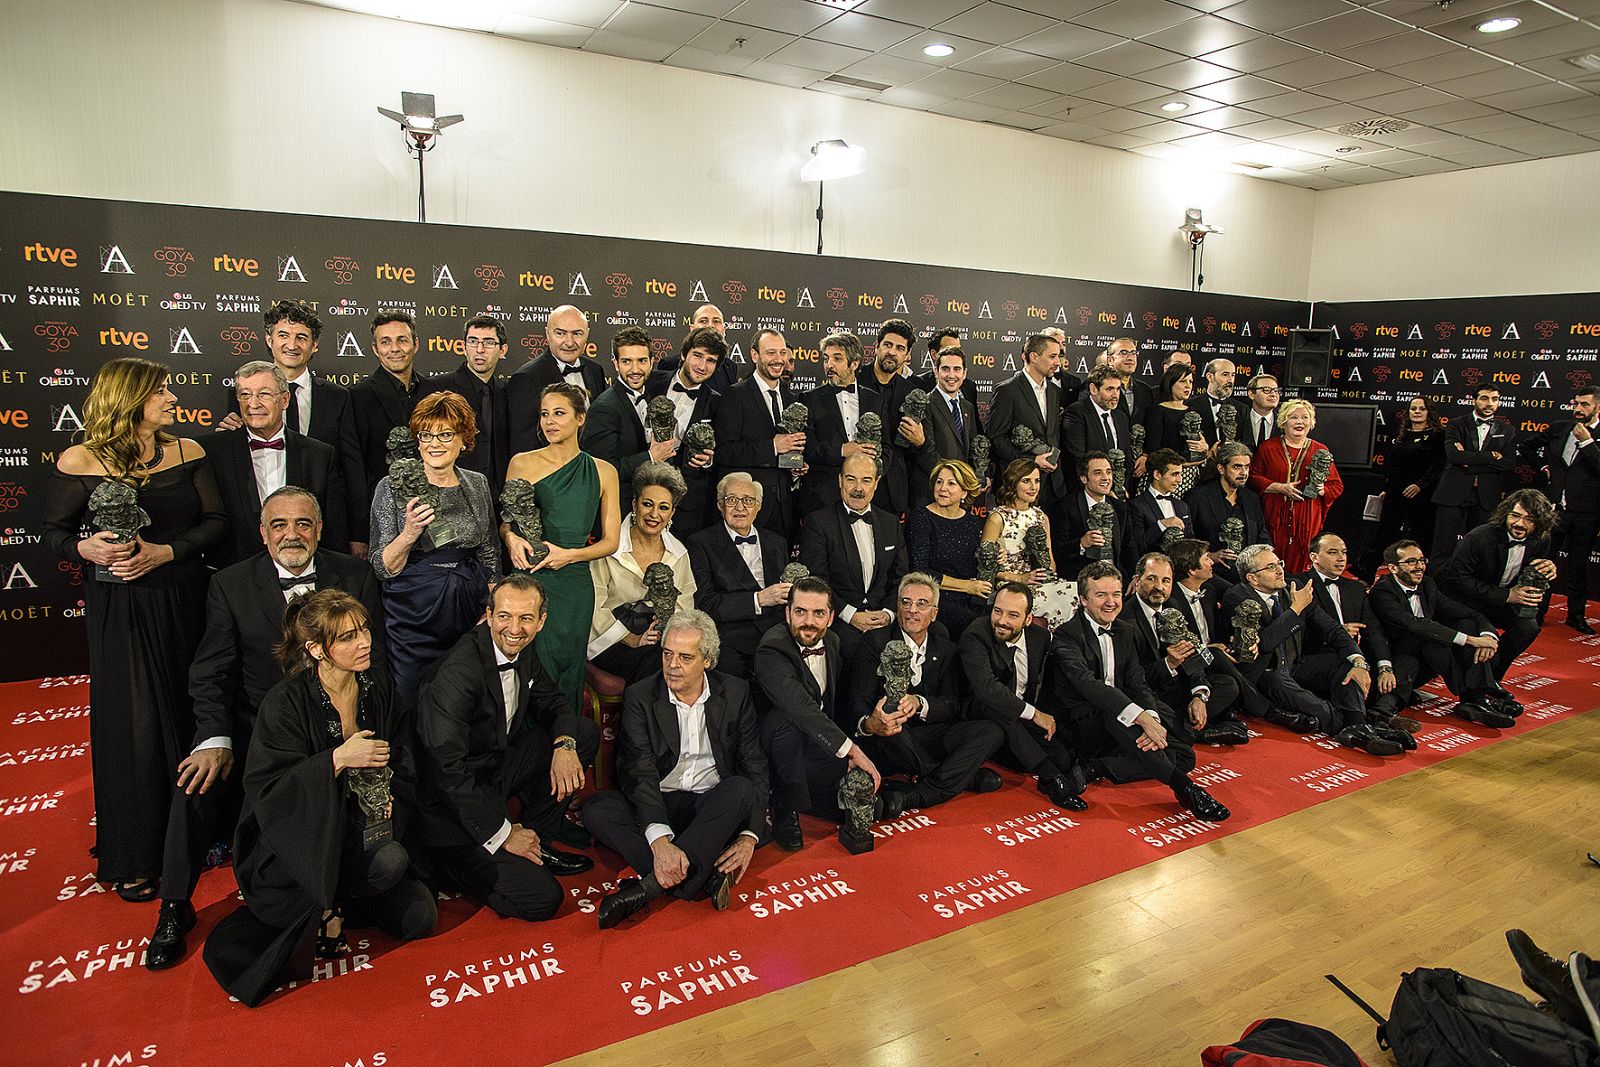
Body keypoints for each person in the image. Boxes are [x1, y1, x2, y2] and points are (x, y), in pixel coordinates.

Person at [149, 486, 383, 970]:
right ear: (262, 532)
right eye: (279, 525)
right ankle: (174, 904)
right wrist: (214, 738)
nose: (291, 535)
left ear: (319, 529)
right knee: (196, 781)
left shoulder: (355, 573)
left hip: (336, 725)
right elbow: (211, 670)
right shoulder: (231, 585)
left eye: (303, 524)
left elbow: (375, 660)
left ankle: (359, 888)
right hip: (261, 730)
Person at [42, 357, 226, 903]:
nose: (172, 399)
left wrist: (166, 551)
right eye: (161, 391)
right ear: (131, 398)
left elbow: (216, 523)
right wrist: (84, 547)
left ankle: (204, 833)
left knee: (193, 708)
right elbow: (52, 532)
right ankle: (137, 852)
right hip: (120, 606)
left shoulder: (188, 451)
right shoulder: (80, 458)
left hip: (183, 596)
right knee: (135, 725)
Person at [202, 591, 436, 1007]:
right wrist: (336, 759)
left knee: (420, 916)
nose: (364, 642)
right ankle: (325, 905)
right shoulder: (285, 702)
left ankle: (341, 902)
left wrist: (388, 797)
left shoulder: (378, 683)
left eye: (364, 630)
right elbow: (267, 789)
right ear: (316, 649)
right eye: (347, 638)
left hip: (366, 828)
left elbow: (402, 755)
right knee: (388, 862)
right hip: (302, 845)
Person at [414, 573, 601, 927]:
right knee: (543, 899)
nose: (514, 628)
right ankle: (453, 867)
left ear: (541, 621)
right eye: (504, 616)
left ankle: (537, 841)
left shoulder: (521, 649)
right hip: (451, 806)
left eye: (526, 618)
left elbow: (556, 703)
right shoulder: (459, 673)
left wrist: (564, 744)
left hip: (493, 770)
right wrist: (503, 833)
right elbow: (446, 771)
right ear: (489, 614)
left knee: (583, 732)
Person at [584, 609, 769, 927]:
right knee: (597, 809)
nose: (672, 666)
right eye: (667, 654)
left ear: (707, 660)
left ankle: (649, 888)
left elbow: (754, 765)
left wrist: (749, 837)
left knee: (740, 789)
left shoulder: (735, 692)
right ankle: (702, 873)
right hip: (660, 801)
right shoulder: (642, 696)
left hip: (711, 802)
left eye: (685, 657)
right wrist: (659, 842)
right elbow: (639, 772)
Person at [1047, 562, 1231, 822]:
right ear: (1083, 600)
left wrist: (1151, 719)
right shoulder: (1066, 635)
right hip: (1080, 723)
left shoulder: (1125, 630)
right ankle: (1186, 789)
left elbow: (1137, 682)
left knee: (1183, 755)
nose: (1111, 602)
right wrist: (1140, 717)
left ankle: (1093, 768)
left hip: (1120, 724)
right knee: (1115, 709)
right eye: (1101, 595)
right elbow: (1089, 685)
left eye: (1115, 594)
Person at [370, 391, 501, 702]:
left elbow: (489, 551)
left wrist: (493, 604)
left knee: (464, 696)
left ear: (464, 440)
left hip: (470, 605)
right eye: (426, 435)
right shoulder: (391, 487)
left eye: (445, 434)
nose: (434, 443)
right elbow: (381, 566)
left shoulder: (477, 483)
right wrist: (409, 532)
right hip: (414, 610)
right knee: (412, 697)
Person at [503, 382, 623, 712]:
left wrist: (569, 555)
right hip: (529, 579)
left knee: (567, 673)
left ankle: (563, 746)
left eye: (559, 413)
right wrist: (511, 538)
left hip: (574, 586)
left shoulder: (603, 471)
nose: (550, 422)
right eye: (544, 414)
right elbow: (507, 521)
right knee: (526, 669)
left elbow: (611, 542)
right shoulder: (521, 463)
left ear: (580, 419)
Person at [1220, 544, 1406, 756]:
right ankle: (1358, 729)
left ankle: (1359, 725)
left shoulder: (1294, 587)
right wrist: (1295, 609)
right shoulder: (1237, 597)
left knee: (1343, 663)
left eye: (1279, 563)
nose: (1280, 570)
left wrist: (1358, 661)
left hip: (1296, 663)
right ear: (1252, 578)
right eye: (1271, 567)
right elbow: (1264, 643)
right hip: (1264, 674)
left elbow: (1332, 628)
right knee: (1293, 690)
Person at [844, 574, 1004, 812]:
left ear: (934, 613)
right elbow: (858, 700)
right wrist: (870, 723)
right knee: (893, 724)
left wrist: (920, 703)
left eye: (921, 604)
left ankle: (920, 794)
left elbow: (953, 704)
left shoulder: (947, 648)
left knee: (992, 731)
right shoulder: (875, 642)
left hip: (930, 735)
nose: (912, 610)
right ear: (897, 608)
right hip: (892, 736)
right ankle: (962, 777)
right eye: (905, 603)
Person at [218, 300, 366, 556]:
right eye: (283, 335)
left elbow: (351, 469)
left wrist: (358, 535)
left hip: (321, 534)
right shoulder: (241, 394)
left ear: (314, 344)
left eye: (302, 337)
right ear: (269, 340)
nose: (292, 345)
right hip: (253, 537)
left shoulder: (338, 397)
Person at [754, 577, 887, 852]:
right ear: (787, 612)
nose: (809, 621)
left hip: (817, 745)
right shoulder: (772, 647)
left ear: (830, 617)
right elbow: (800, 706)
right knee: (784, 721)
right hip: (776, 749)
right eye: (800, 611)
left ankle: (810, 795)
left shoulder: (834, 643)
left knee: (873, 807)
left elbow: (830, 705)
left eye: (818, 613)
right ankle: (784, 805)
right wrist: (850, 750)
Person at [958, 582, 1089, 809]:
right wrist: (1034, 714)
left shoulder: (1040, 638)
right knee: (997, 705)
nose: (1001, 621)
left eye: (1012, 615)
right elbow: (986, 688)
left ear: (1028, 619)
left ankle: (1038, 763)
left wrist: (1041, 715)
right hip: (980, 712)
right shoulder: (976, 634)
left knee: (1061, 759)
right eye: (997, 611)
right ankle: (1050, 778)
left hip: (1020, 716)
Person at [208, 359, 345, 567]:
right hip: (234, 575)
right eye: (245, 395)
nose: (253, 404)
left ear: (285, 399)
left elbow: (333, 529)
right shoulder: (212, 451)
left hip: (304, 571)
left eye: (264, 394)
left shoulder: (319, 455)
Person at [1370, 540, 1519, 728]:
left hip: (1426, 661)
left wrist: (1487, 635)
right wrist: (1470, 641)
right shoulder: (1382, 592)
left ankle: (1475, 698)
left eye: (1422, 560)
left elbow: (1465, 612)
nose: (1419, 567)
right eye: (1411, 562)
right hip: (1395, 658)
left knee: (1466, 623)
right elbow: (1416, 625)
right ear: (1392, 568)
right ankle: (1471, 695)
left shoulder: (1427, 585)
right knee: (1430, 637)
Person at [1435, 488, 1559, 689]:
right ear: (1506, 514)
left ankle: (1492, 681)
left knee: (1528, 627)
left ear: (1540, 522)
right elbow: (1456, 579)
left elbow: (1531, 571)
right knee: (1485, 634)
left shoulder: (1541, 539)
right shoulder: (1479, 537)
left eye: (1529, 519)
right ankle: (1476, 690)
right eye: (1515, 516)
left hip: (1496, 600)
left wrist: (1547, 569)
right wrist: (1507, 595)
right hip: (1461, 600)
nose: (1519, 523)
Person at [1297, 532, 1414, 739]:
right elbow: (1298, 631)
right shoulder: (1300, 584)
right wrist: (1340, 630)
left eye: (1343, 552)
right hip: (1315, 657)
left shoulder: (1355, 588)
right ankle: (1360, 726)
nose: (1341, 558)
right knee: (1348, 667)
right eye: (1332, 553)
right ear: (1314, 557)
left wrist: (1384, 666)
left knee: (1405, 658)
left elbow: (1373, 631)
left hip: (1353, 657)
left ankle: (1380, 714)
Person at [1123, 552, 1247, 746]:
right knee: (1154, 706)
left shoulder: (1173, 605)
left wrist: (1199, 695)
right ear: (1137, 581)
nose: (1159, 587)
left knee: (1227, 685)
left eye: (1166, 581)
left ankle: (1186, 728)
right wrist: (1168, 664)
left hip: (1176, 688)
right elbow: (1131, 679)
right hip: (1148, 691)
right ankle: (1197, 733)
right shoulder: (1124, 618)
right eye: (1152, 579)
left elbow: (1191, 654)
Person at [589, 462, 697, 684]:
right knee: (657, 665)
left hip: (661, 640)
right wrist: (632, 638)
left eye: (663, 507)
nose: (654, 514)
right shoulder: (608, 547)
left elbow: (685, 608)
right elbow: (593, 607)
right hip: (610, 640)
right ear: (634, 504)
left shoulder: (679, 553)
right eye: (647, 504)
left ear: (672, 513)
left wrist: (669, 641)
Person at [798, 452, 909, 664]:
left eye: (866, 480)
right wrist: (851, 616)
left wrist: (888, 613)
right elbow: (817, 582)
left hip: (883, 617)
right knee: (851, 650)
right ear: (840, 481)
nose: (858, 488)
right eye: (851, 479)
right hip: (839, 618)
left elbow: (900, 576)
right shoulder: (819, 523)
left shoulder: (890, 523)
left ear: (876, 483)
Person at [686, 473, 793, 680]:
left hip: (777, 631)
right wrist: (758, 600)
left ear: (759, 507)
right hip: (731, 635)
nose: (740, 507)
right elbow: (705, 603)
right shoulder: (700, 543)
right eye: (731, 500)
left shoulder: (777, 542)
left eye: (748, 500)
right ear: (719, 505)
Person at [1518, 385, 1600, 632]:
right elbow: (1526, 447)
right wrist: (1543, 467)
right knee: (1543, 562)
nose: (1578, 409)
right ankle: (1537, 612)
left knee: (1577, 566)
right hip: (1555, 511)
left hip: (1587, 512)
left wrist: (1587, 442)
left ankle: (1575, 616)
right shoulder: (1559, 427)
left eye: (1584, 404)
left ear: (1598, 407)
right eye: (1576, 403)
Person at [713, 328, 806, 540]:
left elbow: (788, 454)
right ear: (755, 356)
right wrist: (773, 447)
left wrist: (795, 467)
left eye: (782, 353)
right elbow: (725, 451)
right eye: (771, 353)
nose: (778, 359)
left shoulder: (792, 398)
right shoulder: (735, 395)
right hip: (745, 509)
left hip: (784, 512)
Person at [581, 325, 673, 518]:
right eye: (626, 361)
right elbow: (599, 470)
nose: (635, 369)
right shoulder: (604, 408)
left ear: (652, 362)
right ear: (615, 363)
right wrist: (650, 456)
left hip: (649, 509)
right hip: (617, 511)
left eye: (641, 361)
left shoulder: (653, 397)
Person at [423, 315, 513, 504]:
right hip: (451, 497)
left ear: (502, 349)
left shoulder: (508, 392)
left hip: (499, 501)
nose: (479, 350)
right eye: (473, 342)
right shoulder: (437, 388)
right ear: (463, 347)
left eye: (488, 343)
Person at [1250, 399, 1344, 575]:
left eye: (1305, 417)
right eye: (1294, 417)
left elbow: (1336, 485)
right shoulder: (1268, 448)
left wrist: (1322, 489)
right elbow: (1252, 478)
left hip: (1307, 514)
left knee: (1304, 559)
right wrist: (1278, 487)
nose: (1300, 422)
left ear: (1311, 422)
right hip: (1275, 513)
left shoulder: (1320, 450)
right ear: (1283, 422)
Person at [982, 459, 1077, 630]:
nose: (1033, 487)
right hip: (1009, 583)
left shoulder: (1041, 517)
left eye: (1037, 481)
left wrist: (1043, 572)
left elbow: (1051, 563)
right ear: (1013, 483)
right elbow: (984, 566)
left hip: (1037, 582)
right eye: (1026, 481)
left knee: (1076, 590)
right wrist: (1020, 578)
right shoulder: (997, 517)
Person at [645, 327, 721, 535]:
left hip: (688, 504)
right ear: (684, 354)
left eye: (711, 360)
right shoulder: (650, 383)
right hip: (643, 492)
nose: (702, 366)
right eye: (697, 356)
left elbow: (724, 450)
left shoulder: (717, 403)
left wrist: (709, 459)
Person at [1430, 385, 1518, 563]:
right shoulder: (1457, 423)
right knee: (1442, 546)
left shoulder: (1507, 430)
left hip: (1486, 496)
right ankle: (1435, 588)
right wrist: (1491, 457)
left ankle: (1470, 588)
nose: (1490, 403)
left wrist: (1468, 461)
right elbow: (1454, 456)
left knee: (1479, 548)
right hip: (1452, 492)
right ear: (1474, 400)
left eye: (1495, 399)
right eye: (1485, 398)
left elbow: (1508, 464)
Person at [1362, 396, 1445, 579]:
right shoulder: (1403, 435)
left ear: (1428, 412)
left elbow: (1438, 466)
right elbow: (1394, 467)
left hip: (1423, 496)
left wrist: (1419, 485)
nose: (1416, 412)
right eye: (1413, 409)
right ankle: (1365, 572)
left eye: (1421, 409)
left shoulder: (1438, 436)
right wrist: (1388, 488)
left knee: (1421, 537)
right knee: (1383, 534)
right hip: (1395, 494)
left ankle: (1421, 576)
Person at [507, 305, 609, 454]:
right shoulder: (526, 378)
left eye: (577, 334)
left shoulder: (595, 370)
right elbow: (525, 445)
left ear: (587, 334)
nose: (569, 342)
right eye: (560, 333)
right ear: (547, 334)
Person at [906, 460, 991, 636]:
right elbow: (919, 571)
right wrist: (966, 586)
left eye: (951, 483)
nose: (942, 488)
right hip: (937, 596)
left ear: (964, 491)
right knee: (971, 624)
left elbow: (977, 564)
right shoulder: (921, 518)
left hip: (972, 595)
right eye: (939, 482)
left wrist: (994, 559)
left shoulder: (972, 522)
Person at [351, 311, 431, 498]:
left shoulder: (434, 391)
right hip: (382, 504)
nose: (394, 349)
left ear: (415, 344)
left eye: (402, 340)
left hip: (434, 503)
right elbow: (355, 467)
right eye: (385, 342)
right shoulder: (358, 397)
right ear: (375, 348)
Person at [800, 331, 881, 516]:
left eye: (837, 359)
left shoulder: (875, 400)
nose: (829, 365)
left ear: (854, 363)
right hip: (822, 497)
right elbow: (808, 448)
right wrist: (843, 450)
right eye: (826, 359)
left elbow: (887, 447)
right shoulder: (810, 399)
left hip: (866, 497)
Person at [988, 334, 1068, 517]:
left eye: (1059, 356)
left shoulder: (1055, 391)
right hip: (1016, 485)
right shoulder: (1007, 390)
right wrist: (1031, 461)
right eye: (1052, 356)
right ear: (1034, 357)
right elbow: (997, 438)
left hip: (1052, 486)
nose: (1058, 362)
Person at [863, 318, 930, 517]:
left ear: (908, 355)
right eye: (888, 345)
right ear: (876, 346)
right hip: (857, 484)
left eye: (900, 348)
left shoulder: (913, 392)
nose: (892, 352)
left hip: (894, 492)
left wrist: (920, 442)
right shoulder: (854, 381)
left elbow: (916, 448)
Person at [1188, 442, 1270, 581]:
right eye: (1237, 467)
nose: (1244, 473)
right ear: (1221, 468)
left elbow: (1262, 535)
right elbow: (1188, 540)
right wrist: (1210, 555)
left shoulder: (1251, 498)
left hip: (1248, 574)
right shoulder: (1198, 497)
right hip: (1212, 574)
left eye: (1247, 467)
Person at [1064, 364, 1137, 500]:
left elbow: (1127, 456)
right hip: (1088, 493)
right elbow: (1078, 457)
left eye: (1117, 389)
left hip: (1117, 493)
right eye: (1109, 389)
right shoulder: (1077, 412)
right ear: (1093, 389)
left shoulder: (1121, 417)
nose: (1115, 395)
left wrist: (1120, 486)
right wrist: (1104, 487)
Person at [1059, 451, 1131, 581]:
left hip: (1117, 579)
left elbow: (1129, 547)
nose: (1106, 478)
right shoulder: (1065, 507)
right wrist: (1081, 543)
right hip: (1082, 580)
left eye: (1108, 472)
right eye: (1098, 473)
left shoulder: (1120, 507)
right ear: (1084, 478)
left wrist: (1134, 577)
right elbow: (1058, 550)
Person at [1142, 365, 1209, 495]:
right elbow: (1154, 450)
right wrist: (1186, 461)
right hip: (1166, 477)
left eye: (1190, 382)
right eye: (1183, 381)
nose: (1188, 386)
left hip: (1193, 476)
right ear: (1170, 383)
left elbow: (1203, 450)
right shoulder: (1157, 411)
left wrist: (1204, 449)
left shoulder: (1195, 413)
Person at [924, 346, 983, 477]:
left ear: (964, 373)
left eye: (957, 369)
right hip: (933, 486)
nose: (951, 375)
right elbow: (926, 451)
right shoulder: (925, 404)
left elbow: (972, 447)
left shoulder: (967, 407)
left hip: (961, 488)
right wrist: (953, 477)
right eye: (945, 369)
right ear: (936, 371)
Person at [655, 303, 739, 394]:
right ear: (692, 329)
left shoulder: (730, 367)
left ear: (724, 330)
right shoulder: (669, 365)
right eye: (703, 321)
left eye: (716, 321)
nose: (710, 325)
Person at [1129, 449, 1195, 556]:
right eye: (1174, 474)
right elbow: (1137, 546)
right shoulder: (1136, 506)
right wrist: (1161, 525)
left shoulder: (1183, 507)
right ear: (1157, 475)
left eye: (1180, 474)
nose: (1180, 480)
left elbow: (1190, 544)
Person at [1103, 337, 1155, 425]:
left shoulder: (1145, 390)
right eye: (1123, 353)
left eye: (1133, 353)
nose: (1130, 358)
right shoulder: (1099, 387)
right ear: (1110, 360)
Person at [1238, 373, 1281, 452]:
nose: (1273, 394)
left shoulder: (1284, 423)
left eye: (1276, 390)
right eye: (1267, 390)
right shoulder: (1238, 419)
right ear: (1251, 394)